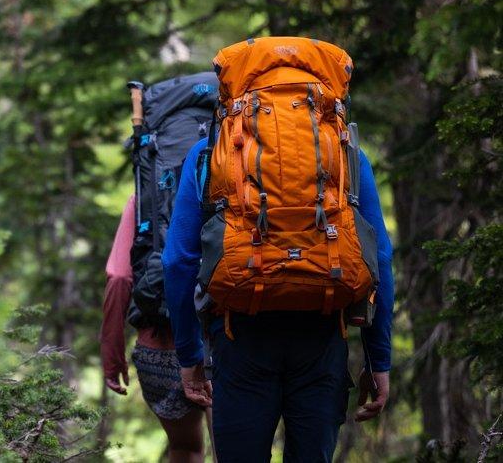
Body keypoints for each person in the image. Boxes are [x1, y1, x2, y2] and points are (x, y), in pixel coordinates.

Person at [161, 136, 394, 462]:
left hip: (239, 334)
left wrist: (189, 357)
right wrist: (378, 360)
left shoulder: (211, 151)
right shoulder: (344, 149)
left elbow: (177, 261)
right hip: (322, 333)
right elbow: (379, 257)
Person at [101, 194, 206, 462]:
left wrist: (112, 354)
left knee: (186, 449)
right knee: (233, 452)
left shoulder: (143, 196)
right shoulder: (227, 177)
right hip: (216, 340)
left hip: (157, 347)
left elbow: (119, 276)